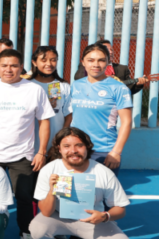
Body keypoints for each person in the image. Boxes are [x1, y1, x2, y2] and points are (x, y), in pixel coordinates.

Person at [30, 127, 136, 239]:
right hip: (58, 217)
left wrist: (104, 216)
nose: (73, 150)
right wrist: (52, 190)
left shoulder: (103, 172)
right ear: (59, 149)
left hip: (92, 221)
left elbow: (120, 209)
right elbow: (46, 212)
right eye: (66, 146)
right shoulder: (50, 170)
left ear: (87, 147)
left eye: (78, 145)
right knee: (37, 229)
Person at [0, 48, 54, 239]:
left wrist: (41, 152)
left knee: (24, 199)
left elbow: (44, 122)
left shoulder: (34, 90)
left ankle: (26, 234)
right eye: (4, 65)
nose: (9, 69)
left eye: (14, 65)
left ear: (22, 67)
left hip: (22, 155)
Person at [71, 42, 132, 177]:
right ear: (83, 62)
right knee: (74, 193)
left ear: (108, 62)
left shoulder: (119, 88)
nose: (96, 65)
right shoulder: (76, 85)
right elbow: (71, 116)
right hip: (75, 149)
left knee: (103, 195)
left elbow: (127, 122)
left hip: (103, 151)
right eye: (90, 60)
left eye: (101, 60)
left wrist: (116, 152)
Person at [24, 45, 73, 154]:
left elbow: (68, 116)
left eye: (53, 60)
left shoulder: (63, 86)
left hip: (54, 146)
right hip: (29, 147)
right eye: (44, 60)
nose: (49, 64)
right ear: (34, 62)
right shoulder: (26, 85)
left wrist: (60, 139)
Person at [73, 39, 147, 95]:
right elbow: (78, 78)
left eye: (111, 50)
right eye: (107, 50)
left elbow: (128, 89)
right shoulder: (87, 65)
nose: (111, 52)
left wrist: (138, 85)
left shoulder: (122, 69)